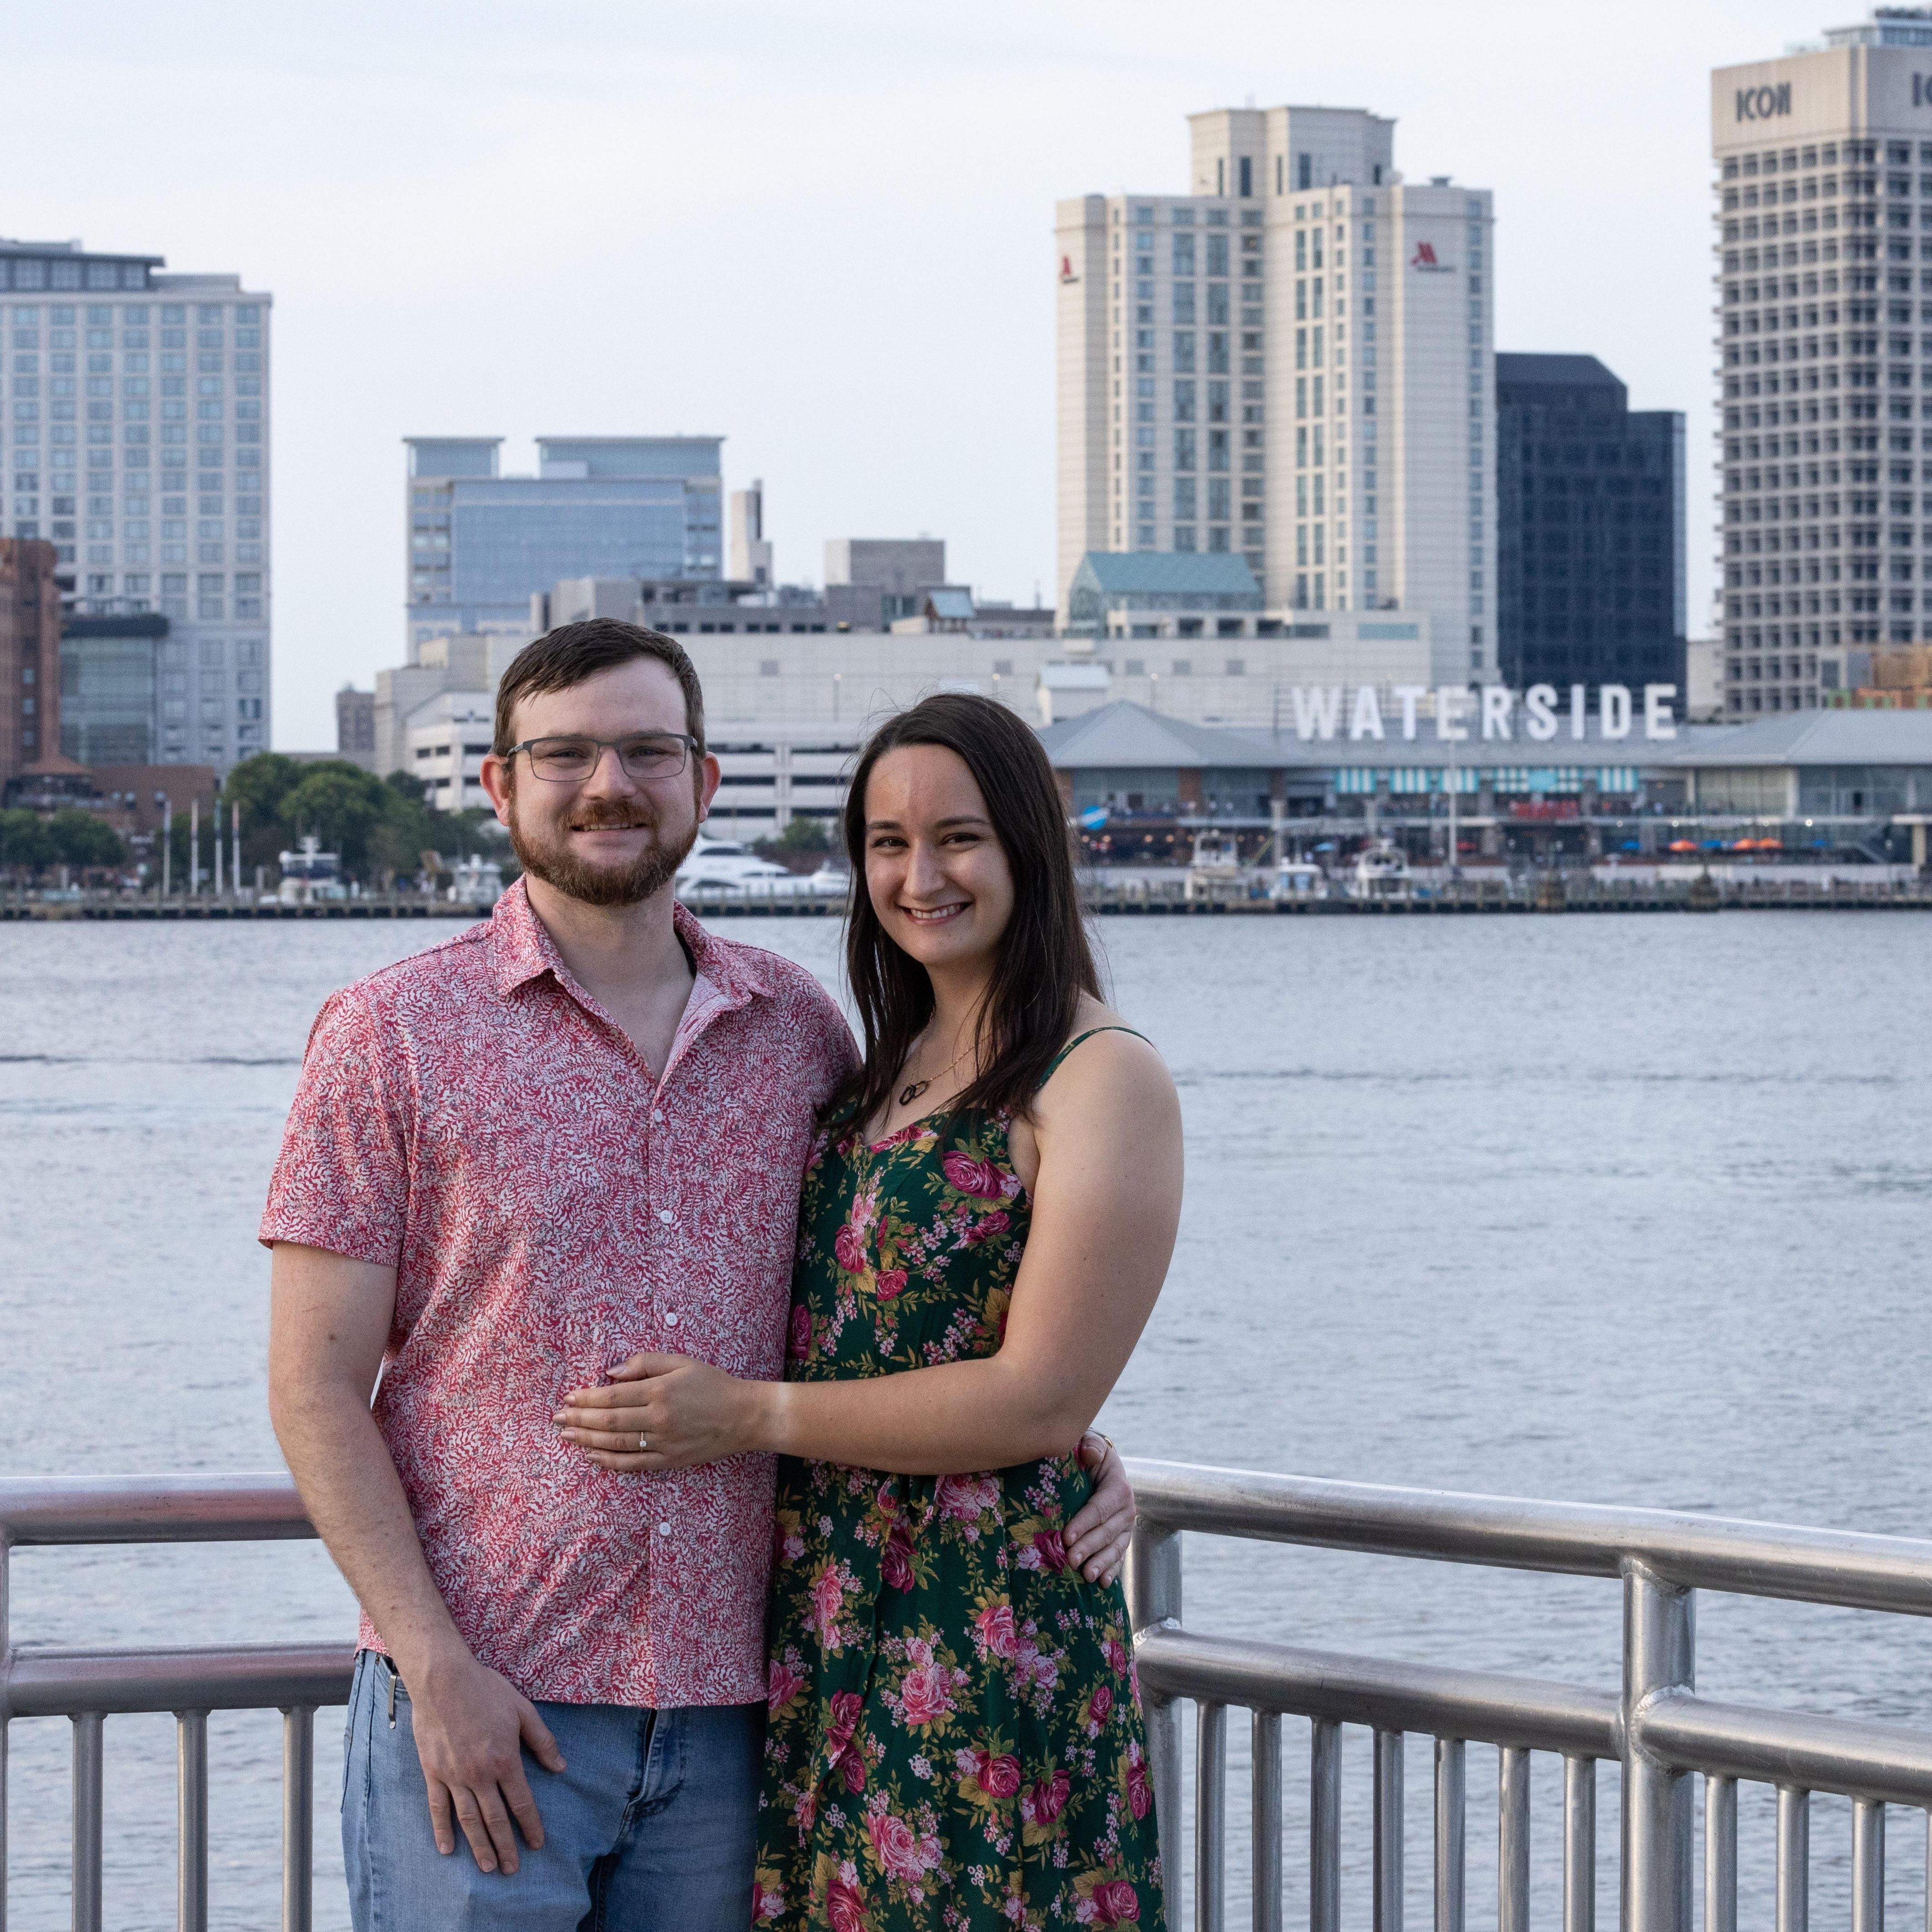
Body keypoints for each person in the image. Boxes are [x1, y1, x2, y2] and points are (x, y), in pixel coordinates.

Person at [260, 624, 1139, 1932]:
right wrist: (432, 1665)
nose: (608, 782)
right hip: (494, 1707)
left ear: (705, 781)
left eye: (646, 751)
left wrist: (1062, 1436)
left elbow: (897, 1294)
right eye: (564, 753)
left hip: (751, 1717)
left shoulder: (803, 1032)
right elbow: (313, 1388)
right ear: (499, 786)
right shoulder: (388, 1034)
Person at [554, 692, 1185, 1931]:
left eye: (959, 837)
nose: (920, 874)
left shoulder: (1101, 1075)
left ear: (1026, 849)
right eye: (887, 844)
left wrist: (747, 1415)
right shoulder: (876, 1065)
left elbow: (1043, 1391)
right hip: (830, 1613)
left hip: (985, 1632)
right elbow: (890, 1328)